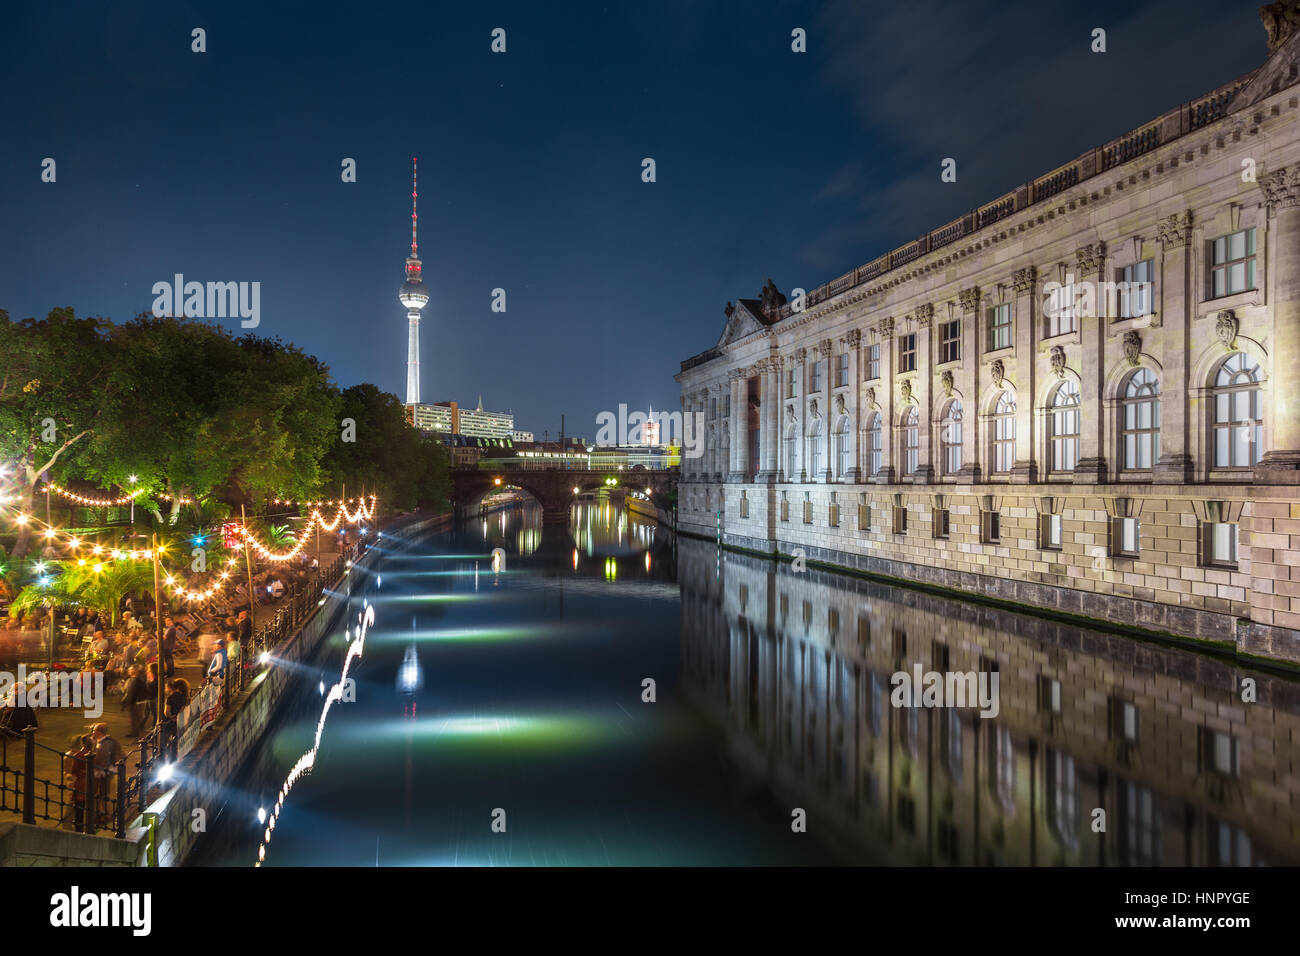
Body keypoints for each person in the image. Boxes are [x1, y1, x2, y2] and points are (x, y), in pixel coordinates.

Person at [90, 722, 123, 823]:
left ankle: (107, 815)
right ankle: (105, 813)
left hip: (103, 772)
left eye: (94, 730)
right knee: (103, 794)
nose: (92, 732)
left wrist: (96, 771)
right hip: (107, 771)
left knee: (103, 794)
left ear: (99, 732)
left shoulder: (103, 745)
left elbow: (102, 759)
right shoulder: (106, 741)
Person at [62, 733, 94, 831]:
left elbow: (72, 772)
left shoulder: (77, 755)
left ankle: (74, 828)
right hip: (83, 784)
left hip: (78, 785)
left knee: (76, 808)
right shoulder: (87, 755)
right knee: (79, 807)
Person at [120, 665, 149, 736]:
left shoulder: (134, 680)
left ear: (134, 671)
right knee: (138, 717)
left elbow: (130, 692)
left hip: (135, 702)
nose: (129, 671)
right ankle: (139, 728)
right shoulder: (141, 679)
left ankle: (135, 732)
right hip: (140, 701)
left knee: (134, 718)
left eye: (131, 670)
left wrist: (128, 702)